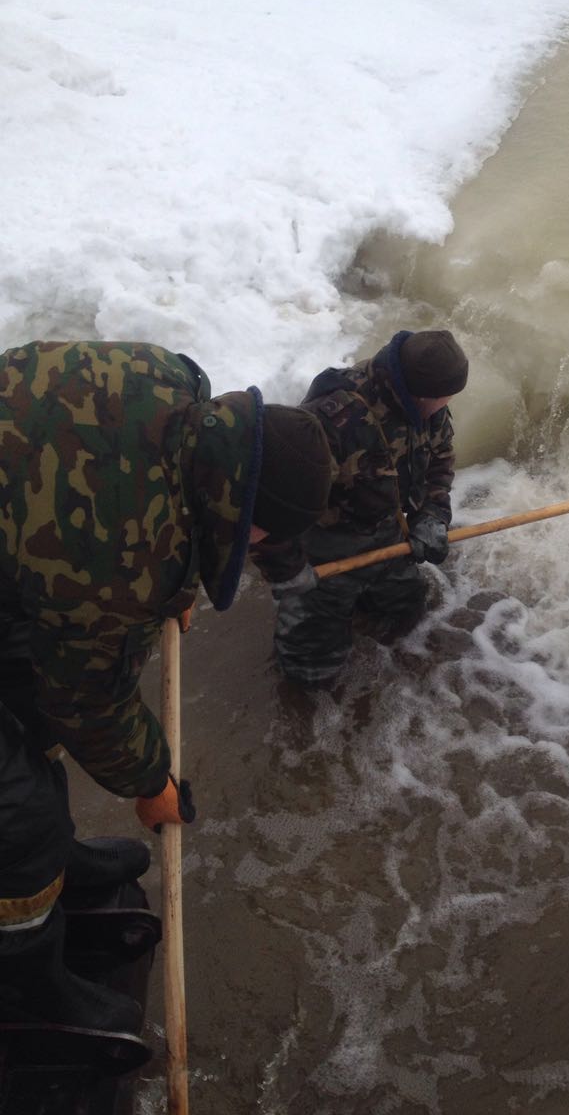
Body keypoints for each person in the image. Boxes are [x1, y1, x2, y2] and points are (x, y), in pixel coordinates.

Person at [0, 339, 332, 1038]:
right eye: (259, 534)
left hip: (20, 537)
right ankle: (27, 981)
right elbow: (88, 700)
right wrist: (152, 781)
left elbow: (120, 495)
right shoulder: (124, 561)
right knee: (14, 814)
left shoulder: (177, 380)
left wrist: (175, 577)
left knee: (30, 706)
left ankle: (56, 859)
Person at [252, 329, 468, 690]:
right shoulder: (333, 422)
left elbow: (440, 461)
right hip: (324, 545)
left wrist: (432, 515)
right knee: (310, 669)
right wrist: (286, 569)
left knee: (407, 611)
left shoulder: (429, 408)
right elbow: (266, 504)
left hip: (387, 533)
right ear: (419, 392)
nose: (447, 405)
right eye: (443, 398)